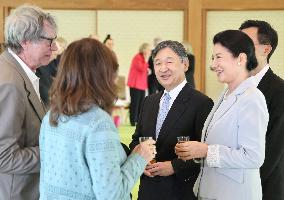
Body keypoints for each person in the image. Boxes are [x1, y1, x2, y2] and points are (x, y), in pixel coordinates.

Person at [39, 38, 156, 200]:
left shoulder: (52, 115)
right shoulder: (98, 123)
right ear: (102, 75)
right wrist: (140, 158)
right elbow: (111, 194)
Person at [175, 30, 269, 200]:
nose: (213, 64)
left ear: (241, 59)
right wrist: (195, 152)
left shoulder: (252, 98)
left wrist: (205, 151)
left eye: (219, 57)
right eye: (213, 58)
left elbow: (253, 157)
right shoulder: (225, 94)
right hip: (212, 191)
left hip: (234, 194)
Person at [129, 40, 213, 200]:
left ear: (185, 64)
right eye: (158, 63)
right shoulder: (149, 102)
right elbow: (136, 140)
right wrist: (140, 160)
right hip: (148, 190)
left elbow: (207, 152)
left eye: (169, 62)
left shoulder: (201, 103)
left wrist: (174, 167)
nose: (163, 68)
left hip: (181, 191)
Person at [0, 4, 57, 200]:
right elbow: (4, 157)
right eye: (49, 41)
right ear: (25, 41)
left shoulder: (18, 72)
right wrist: (58, 151)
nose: (54, 47)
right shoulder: (9, 83)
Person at [240, 20, 284, 200]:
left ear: (266, 49)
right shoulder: (233, 89)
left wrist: (243, 186)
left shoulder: (279, 90)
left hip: (263, 187)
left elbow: (273, 148)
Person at [36, 37, 67, 105]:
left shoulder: (56, 61)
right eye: (60, 45)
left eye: (63, 46)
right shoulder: (40, 65)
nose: (62, 48)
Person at [127, 43, 152, 126]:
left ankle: (138, 120)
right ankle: (132, 121)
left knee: (141, 104)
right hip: (135, 84)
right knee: (135, 103)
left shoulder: (143, 58)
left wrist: (148, 69)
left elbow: (145, 68)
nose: (150, 51)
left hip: (141, 85)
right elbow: (141, 68)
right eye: (148, 49)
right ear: (144, 49)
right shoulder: (138, 57)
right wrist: (146, 59)